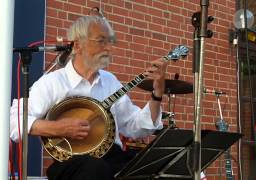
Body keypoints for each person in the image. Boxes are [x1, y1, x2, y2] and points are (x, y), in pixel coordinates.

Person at [10, 15, 168, 180]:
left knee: (152, 167)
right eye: (101, 41)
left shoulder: (110, 81)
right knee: (95, 168)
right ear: (78, 45)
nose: (109, 48)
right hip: (72, 164)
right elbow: (14, 121)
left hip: (112, 158)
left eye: (110, 42)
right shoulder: (53, 82)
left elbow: (135, 127)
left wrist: (157, 95)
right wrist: (58, 128)